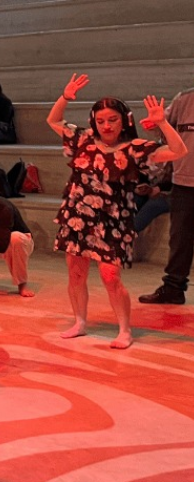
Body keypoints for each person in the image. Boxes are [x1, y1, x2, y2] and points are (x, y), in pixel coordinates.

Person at [47, 74, 188, 348]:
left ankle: (125, 330)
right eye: (100, 121)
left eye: (112, 120)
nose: (106, 125)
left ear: (124, 121)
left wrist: (162, 122)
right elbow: (54, 121)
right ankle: (80, 322)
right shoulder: (83, 140)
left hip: (114, 221)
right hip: (78, 217)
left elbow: (178, 150)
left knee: (110, 276)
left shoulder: (134, 149)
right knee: (75, 273)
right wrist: (64, 97)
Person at [139, 85, 194, 306]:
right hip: (183, 183)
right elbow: (163, 129)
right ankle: (173, 288)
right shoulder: (185, 98)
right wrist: (155, 123)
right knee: (179, 239)